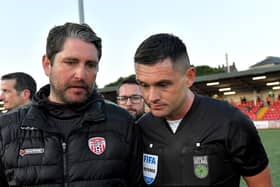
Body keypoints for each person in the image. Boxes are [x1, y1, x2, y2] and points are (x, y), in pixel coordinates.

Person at [0, 22, 142, 187]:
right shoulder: (6, 130)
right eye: (71, 62)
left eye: (90, 65)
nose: (81, 74)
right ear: (47, 64)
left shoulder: (123, 123)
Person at [134, 33, 273, 187]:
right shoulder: (142, 128)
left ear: (189, 77)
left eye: (163, 84)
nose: (152, 97)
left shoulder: (230, 122)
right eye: (144, 85)